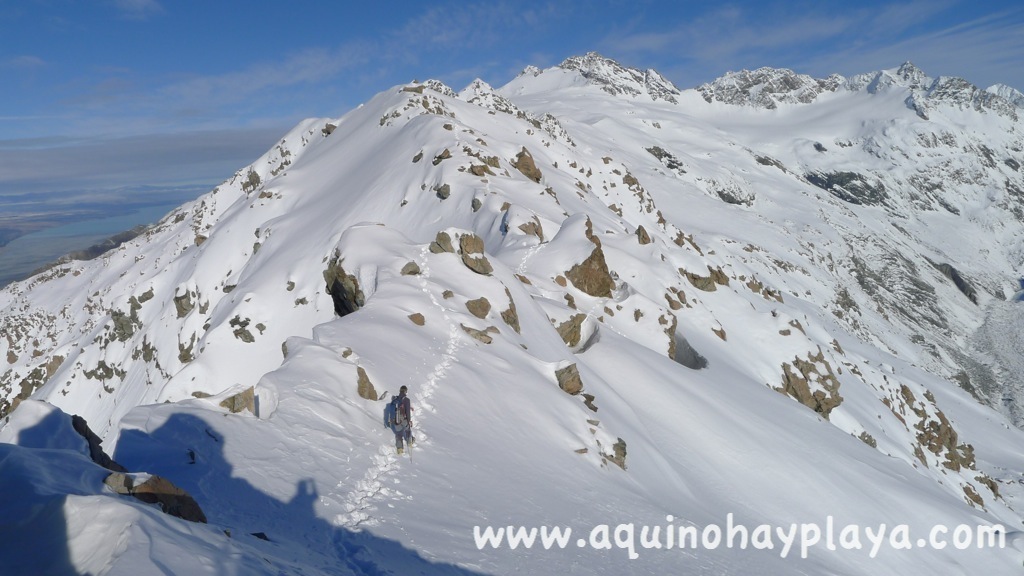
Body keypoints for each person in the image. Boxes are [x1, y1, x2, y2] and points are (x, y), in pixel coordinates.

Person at [392, 385, 414, 454]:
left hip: (396, 421)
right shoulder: (407, 400)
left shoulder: (395, 399)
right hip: (404, 420)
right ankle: (409, 442)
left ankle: (400, 449)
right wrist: (409, 421)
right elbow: (407, 412)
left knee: (398, 434)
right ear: (406, 391)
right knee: (408, 430)